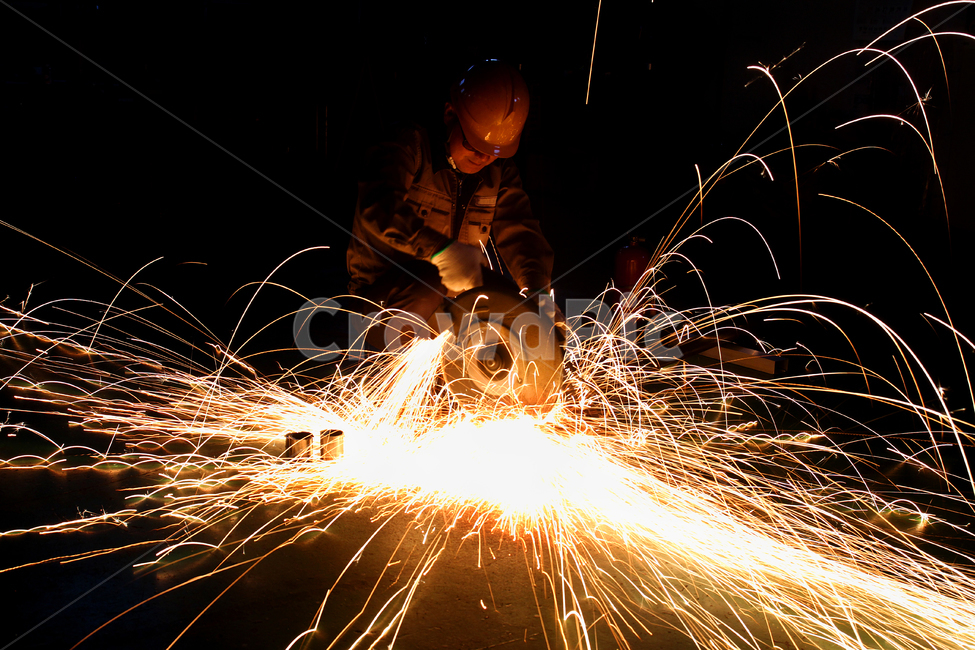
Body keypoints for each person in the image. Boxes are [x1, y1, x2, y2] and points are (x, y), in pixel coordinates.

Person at [346, 60, 554, 350]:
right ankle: (386, 366)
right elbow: (380, 207)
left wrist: (537, 291)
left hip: (445, 303)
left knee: (510, 302)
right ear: (449, 114)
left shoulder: (501, 172)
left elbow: (523, 235)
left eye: (492, 153)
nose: (483, 158)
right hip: (379, 305)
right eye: (473, 145)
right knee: (430, 282)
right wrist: (438, 250)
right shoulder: (407, 147)